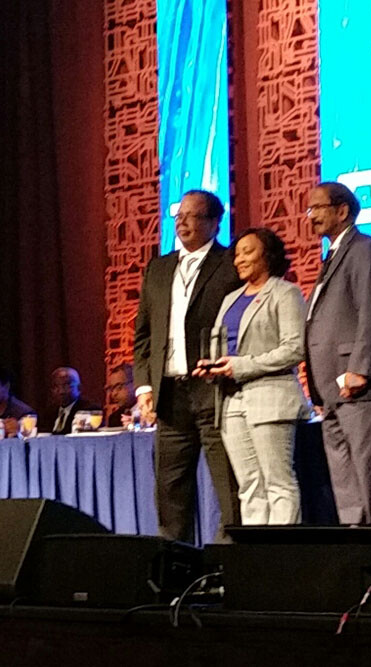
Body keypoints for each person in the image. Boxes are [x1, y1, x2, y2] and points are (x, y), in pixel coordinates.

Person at [132, 189, 242, 543]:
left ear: (213, 222)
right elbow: (144, 334)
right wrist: (144, 386)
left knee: (228, 483)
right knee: (170, 490)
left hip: (215, 391)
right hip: (169, 394)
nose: (181, 222)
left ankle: (227, 565)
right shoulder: (159, 268)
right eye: (178, 215)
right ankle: (176, 566)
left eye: (192, 216)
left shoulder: (231, 264)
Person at [193, 228, 308, 525]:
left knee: (278, 483)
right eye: (237, 253)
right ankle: (257, 558)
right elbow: (224, 346)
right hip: (231, 402)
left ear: (267, 255)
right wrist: (212, 366)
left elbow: (294, 349)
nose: (240, 259)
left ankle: (282, 558)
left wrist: (241, 366)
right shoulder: (231, 298)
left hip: (269, 399)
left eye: (248, 252)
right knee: (249, 487)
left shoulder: (285, 293)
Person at [304, 181, 371, 525]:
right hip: (329, 386)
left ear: (342, 211)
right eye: (309, 209)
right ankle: (357, 540)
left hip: (356, 381)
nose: (311, 216)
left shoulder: (364, 249)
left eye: (317, 208)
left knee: (369, 471)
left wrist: (362, 368)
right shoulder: (332, 254)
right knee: (344, 477)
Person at [46, 367, 101, 435]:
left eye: (66, 386)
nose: (61, 391)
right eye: (56, 387)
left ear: (79, 388)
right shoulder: (48, 413)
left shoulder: (89, 410)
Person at [105, 363, 136, 428]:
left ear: (134, 384)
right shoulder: (114, 418)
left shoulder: (150, 412)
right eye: (111, 389)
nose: (114, 394)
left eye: (119, 387)